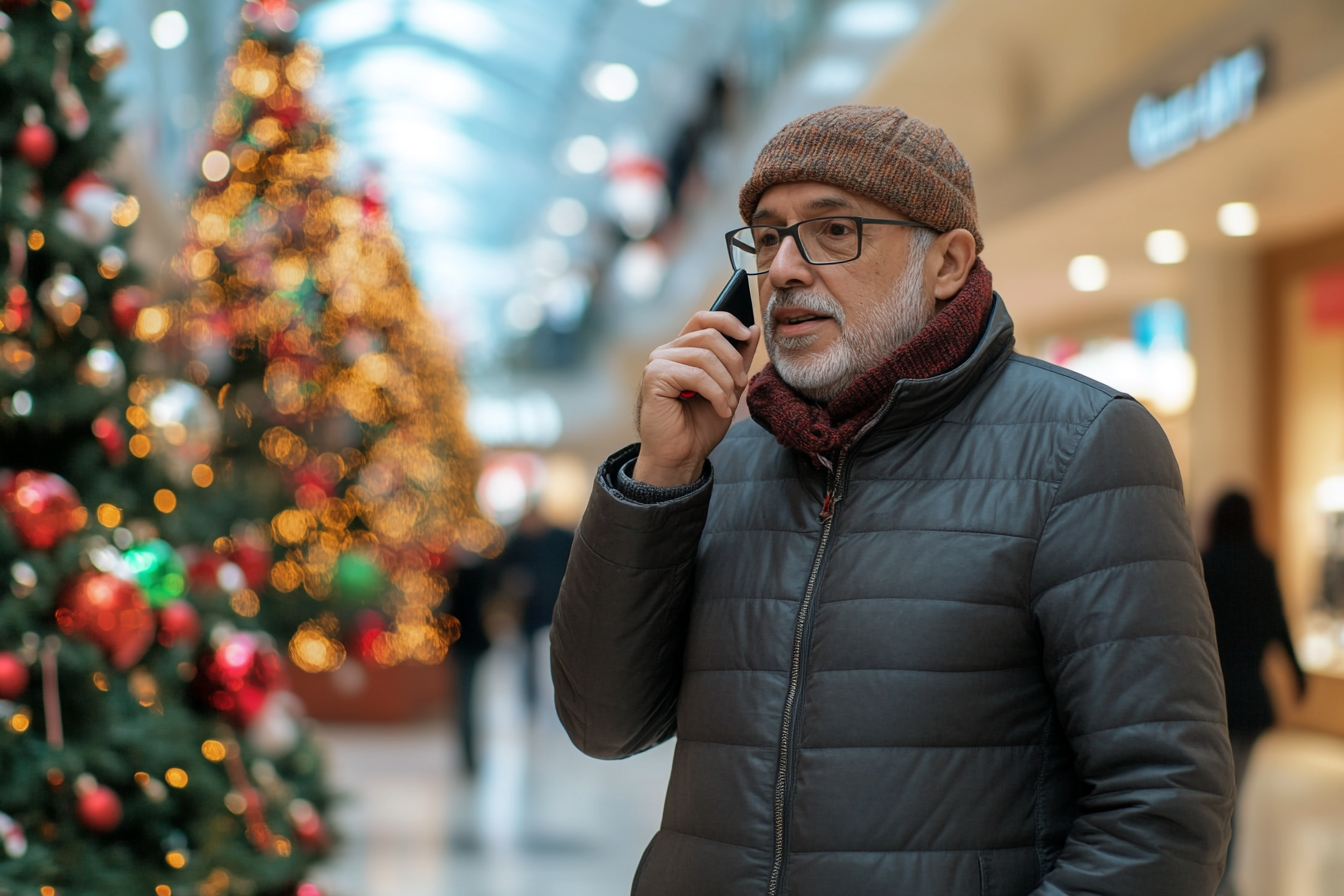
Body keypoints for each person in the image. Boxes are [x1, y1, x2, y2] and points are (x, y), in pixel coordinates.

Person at [551, 105, 1234, 895]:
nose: (788, 270)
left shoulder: (1080, 445)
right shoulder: (723, 461)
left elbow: (1162, 806)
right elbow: (603, 724)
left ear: (947, 263)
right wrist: (659, 480)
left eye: (834, 230)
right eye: (768, 238)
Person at [1202, 491, 1306, 895]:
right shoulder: (1262, 566)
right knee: (1233, 794)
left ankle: (1218, 879)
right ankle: (1224, 880)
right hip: (1251, 702)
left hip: (1211, 700)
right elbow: (1278, 623)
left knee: (1216, 796)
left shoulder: (1205, 564)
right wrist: (1297, 674)